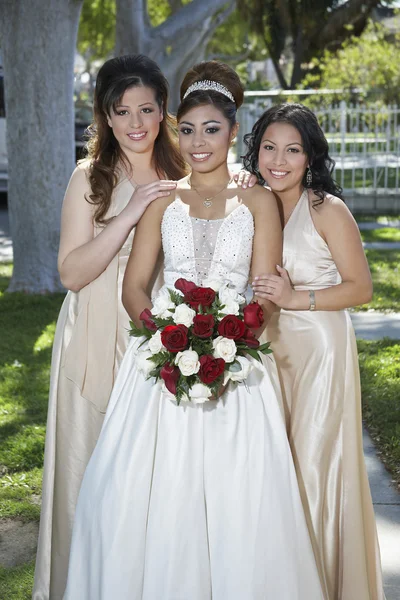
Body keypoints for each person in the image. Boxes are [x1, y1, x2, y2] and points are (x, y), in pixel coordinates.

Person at [63, 62, 324, 600]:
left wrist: (231, 341)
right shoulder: (161, 200)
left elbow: (265, 292)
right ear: (176, 131)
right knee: (133, 494)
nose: (199, 141)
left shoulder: (258, 201)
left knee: (239, 500)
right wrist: (163, 336)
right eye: (189, 129)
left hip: (238, 366)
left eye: (212, 129)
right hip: (162, 366)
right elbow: (135, 288)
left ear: (233, 131)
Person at [32, 54, 187, 600]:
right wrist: (129, 213)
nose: (136, 123)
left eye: (147, 108)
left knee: (153, 480)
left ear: (164, 108)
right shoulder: (89, 176)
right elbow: (72, 272)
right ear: (106, 115)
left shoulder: (185, 171)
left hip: (160, 336)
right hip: (95, 335)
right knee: (89, 472)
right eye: (122, 112)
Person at [246, 103, 385, 600]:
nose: (278, 160)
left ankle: (325, 585)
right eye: (269, 147)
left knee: (314, 467)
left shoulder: (327, 208)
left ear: (310, 157)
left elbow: (361, 288)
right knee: (270, 466)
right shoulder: (247, 201)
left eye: (292, 149)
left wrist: (294, 298)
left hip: (320, 350)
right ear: (255, 149)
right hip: (262, 349)